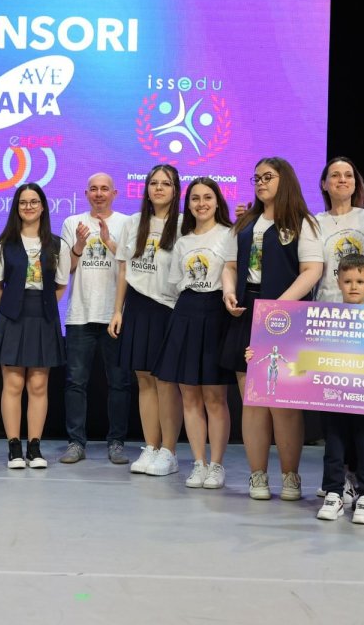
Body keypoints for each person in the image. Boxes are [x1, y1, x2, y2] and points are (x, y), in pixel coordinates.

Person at [221, 157, 322, 500]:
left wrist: (279, 306)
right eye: (257, 178)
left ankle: (290, 476)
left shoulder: (303, 222)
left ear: (285, 180)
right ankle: (258, 475)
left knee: (284, 403)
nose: (261, 183)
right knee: (252, 400)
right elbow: (230, 266)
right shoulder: (245, 222)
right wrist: (228, 291)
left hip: (285, 317)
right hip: (246, 312)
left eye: (268, 177)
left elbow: (312, 270)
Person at [152, 177, 236, 489]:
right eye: (195, 198)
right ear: (188, 205)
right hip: (186, 312)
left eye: (207, 197)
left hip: (216, 313)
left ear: (218, 201)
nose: (202, 203)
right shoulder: (183, 241)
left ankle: (217, 465)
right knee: (189, 394)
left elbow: (232, 274)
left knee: (214, 396)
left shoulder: (229, 234)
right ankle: (198, 463)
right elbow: (176, 285)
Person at [108, 164, 184, 476]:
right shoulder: (133, 222)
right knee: (144, 379)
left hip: (169, 307)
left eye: (165, 183)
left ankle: (169, 451)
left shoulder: (184, 224)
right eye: (154, 183)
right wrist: (118, 310)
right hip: (138, 305)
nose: (158, 188)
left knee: (165, 382)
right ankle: (151, 447)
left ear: (175, 190)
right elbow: (123, 269)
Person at [0, 183, 70, 469]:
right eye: (23, 202)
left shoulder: (58, 245)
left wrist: (43, 305)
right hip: (12, 317)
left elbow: (61, 285)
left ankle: (34, 447)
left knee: (38, 384)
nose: (29, 207)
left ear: (43, 206)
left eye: (34, 202)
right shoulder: (2, 245)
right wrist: (12, 308)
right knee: (12, 383)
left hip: (43, 317)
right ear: (16, 207)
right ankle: (14, 447)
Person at [59, 173, 131, 465]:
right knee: (75, 383)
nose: (99, 193)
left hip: (115, 315)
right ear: (86, 193)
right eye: (93, 189)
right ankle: (76, 443)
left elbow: (131, 265)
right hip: (80, 314)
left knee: (119, 383)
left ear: (115, 193)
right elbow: (66, 269)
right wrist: (78, 244)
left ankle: (117, 442)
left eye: (104, 189)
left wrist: (108, 241)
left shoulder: (127, 223)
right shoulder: (72, 222)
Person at [313, 157, 364, 302]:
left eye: (348, 175)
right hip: (327, 307)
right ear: (324, 184)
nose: (343, 180)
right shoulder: (314, 223)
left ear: (355, 183)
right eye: (335, 175)